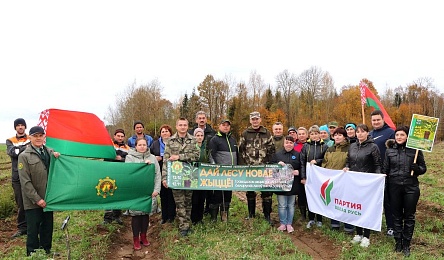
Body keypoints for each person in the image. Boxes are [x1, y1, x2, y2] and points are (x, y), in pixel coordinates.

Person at [383, 126, 426, 256]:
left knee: (409, 216)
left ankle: (406, 244)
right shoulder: (389, 151)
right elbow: (385, 170)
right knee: (396, 215)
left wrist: (417, 168)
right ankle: (398, 242)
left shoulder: (415, 151)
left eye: (402, 135)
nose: (399, 137)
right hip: (394, 187)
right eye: (397, 135)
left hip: (411, 187)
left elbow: (423, 168)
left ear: (407, 136)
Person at [18, 126, 60, 256]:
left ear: (44, 137)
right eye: (35, 136)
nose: (38, 138)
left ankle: (46, 251)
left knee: (47, 227)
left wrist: (57, 156)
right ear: (30, 137)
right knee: (33, 229)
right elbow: (25, 182)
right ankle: (32, 254)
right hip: (33, 201)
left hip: (48, 199)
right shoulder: (24, 156)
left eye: (41, 135)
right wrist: (37, 199)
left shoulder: (49, 151)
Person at [345, 124, 381, 248]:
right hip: (354, 182)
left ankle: (366, 236)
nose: (359, 134)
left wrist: (377, 179)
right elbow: (348, 161)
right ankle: (358, 233)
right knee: (356, 208)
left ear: (367, 133)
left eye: (362, 132)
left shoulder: (373, 147)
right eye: (357, 132)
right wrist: (347, 167)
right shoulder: (352, 146)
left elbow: (377, 164)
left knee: (366, 209)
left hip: (367, 183)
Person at [162, 117, 200, 237]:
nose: (183, 127)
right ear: (177, 126)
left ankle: (186, 223)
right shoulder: (170, 141)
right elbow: (166, 160)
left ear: (187, 126)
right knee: (179, 202)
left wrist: (180, 156)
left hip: (189, 175)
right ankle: (183, 227)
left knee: (188, 201)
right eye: (180, 125)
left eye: (185, 125)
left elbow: (196, 156)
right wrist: (164, 177)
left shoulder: (193, 140)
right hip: (176, 176)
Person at [238, 111, 275, 224]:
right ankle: (251, 215)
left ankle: (267, 216)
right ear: (250, 121)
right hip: (250, 168)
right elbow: (241, 149)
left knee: (266, 193)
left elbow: (272, 149)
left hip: (264, 168)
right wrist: (245, 164)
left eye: (256, 119)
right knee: (250, 191)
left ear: (260, 120)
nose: (255, 121)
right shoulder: (245, 133)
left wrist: (267, 163)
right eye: (253, 119)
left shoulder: (267, 133)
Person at [125, 137, 161, 250]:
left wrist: (156, 190)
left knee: (145, 214)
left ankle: (143, 236)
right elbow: (129, 173)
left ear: (147, 146)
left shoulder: (153, 158)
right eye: (139, 145)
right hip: (135, 191)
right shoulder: (129, 158)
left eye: (144, 145)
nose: (142, 147)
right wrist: (143, 166)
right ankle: (135, 238)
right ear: (135, 146)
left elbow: (157, 174)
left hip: (148, 191)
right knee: (136, 215)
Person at [321, 127, 354, 233]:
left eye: (340, 135)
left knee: (345, 202)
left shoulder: (351, 148)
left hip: (345, 180)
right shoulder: (330, 149)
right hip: (332, 180)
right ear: (333, 137)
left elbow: (352, 163)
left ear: (344, 137)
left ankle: (348, 225)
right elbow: (324, 163)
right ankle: (334, 222)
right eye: (335, 135)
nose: (337, 137)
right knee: (333, 201)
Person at [370, 110, 395, 237]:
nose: (375, 122)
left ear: (383, 119)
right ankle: (374, 223)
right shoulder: (369, 134)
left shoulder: (390, 132)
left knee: (387, 201)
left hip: (386, 172)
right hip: (372, 172)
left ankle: (391, 226)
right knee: (373, 200)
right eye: (373, 120)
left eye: (378, 120)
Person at [207, 119, 238, 222]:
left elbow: (236, 155)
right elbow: (211, 155)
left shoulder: (232, 140)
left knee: (227, 195)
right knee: (217, 195)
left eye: (227, 125)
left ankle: (224, 216)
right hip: (218, 173)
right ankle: (213, 217)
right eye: (223, 125)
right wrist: (215, 168)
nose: (226, 127)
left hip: (230, 174)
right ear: (219, 127)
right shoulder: (214, 139)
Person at [300, 125, 328, 228]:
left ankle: (319, 219)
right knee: (310, 197)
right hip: (308, 176)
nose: (314, 136)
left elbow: (326, 160)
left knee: (320, 197)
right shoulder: (306, 146)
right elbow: (302, 162)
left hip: (320, 177)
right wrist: (303, 177)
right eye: (312, 134)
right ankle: (311, 219)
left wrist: (317, 161)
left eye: (316, 133)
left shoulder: (324, 146)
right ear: (309, 135)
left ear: (319, 134)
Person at [188, 111, 216, 215]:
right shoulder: (190, 133)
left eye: (203, 118)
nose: (201, 120)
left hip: (205, 172)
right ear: (196, 120)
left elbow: (211, 154)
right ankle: (194, 215)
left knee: (206, 194)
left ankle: (206, 211)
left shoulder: (212, 132)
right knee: (194, 196)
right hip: (193, 173)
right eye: (199, 118)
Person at [6, 118, 30, 238]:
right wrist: (26, 148)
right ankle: (22, 228)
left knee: (33, 200)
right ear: (15, 127)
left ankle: (34, 225)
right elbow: (13, 153)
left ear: (25, 127)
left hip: (30, 174)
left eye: (22, 125)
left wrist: (19, 149)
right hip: (17, 176)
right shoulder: (10, 140)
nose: (20, 127)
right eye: (18, 125)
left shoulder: (32, 138)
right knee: (21, 203)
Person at [272, 135, 300, 233]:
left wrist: (298, 172)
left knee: (291, 205)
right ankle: (283, 223)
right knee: (282, 205)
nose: (289, 144)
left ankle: (289, 224)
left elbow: (302, 167)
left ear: (293, 144)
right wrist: (277, 165)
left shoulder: (298, 154)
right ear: (284, 144)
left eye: (291, 143)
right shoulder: (278, 155)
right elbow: (271, 168)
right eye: (287, 142)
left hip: (293, 185)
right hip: (281, 185)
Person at [150, 124, 176, 224]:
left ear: (170, 132)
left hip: (173, 171)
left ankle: (171, 216)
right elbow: (149, 154)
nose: (165, 133)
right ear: (160, 134)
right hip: (160, 171)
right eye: (163, 131)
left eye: (167, 131)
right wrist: (155, 158)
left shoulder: (174, 143)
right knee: (163, 195)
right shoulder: (155, 144)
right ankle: (164, 216)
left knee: (171, 195)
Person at [103, 128, 129, 225]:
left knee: (118, 194)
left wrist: (120, 159)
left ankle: (117, 216)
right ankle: (107, 218)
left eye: (122, 136)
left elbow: (128, 160)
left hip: (120, 173)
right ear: (114, 136)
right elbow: (104, 156)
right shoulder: (109, 146)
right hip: (108, 173)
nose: (120, 138)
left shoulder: (127, 148)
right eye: (118, 136)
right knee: (107, 194)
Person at [190, 128, 209, 225]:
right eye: (197, 135)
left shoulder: (206, 147)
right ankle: (193, 218)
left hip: (204, 176)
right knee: (195, 199)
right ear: (194, 136)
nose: (199, 137)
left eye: (201, 135)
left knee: (202, 198)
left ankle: (200, 218)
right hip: (193, 175)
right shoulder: (191, 147)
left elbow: (209, 158)